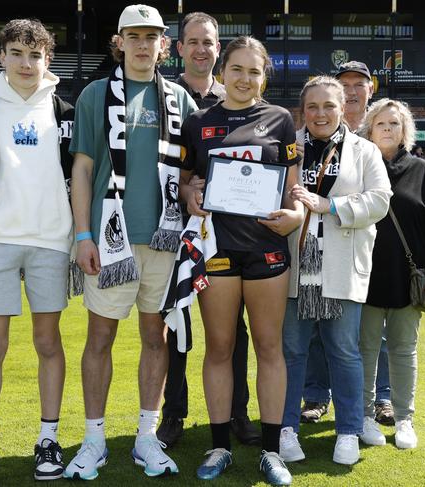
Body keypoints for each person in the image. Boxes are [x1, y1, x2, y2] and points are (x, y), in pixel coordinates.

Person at [64, 5, 197, 480]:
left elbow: (190, 173)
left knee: (154, 338)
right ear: (119, 42)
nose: (143, 45)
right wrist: (82, 233)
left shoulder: (181, 99)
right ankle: (95, 438)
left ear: (164, 44)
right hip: (109, 239)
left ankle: (146, 436)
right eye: (134, 36)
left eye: (152, 36)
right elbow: (81, 168)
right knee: (99, 338)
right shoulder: (95, 95)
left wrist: (194, 194)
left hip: (163, 239)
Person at [0, 19, 75, 487]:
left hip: (49, 243)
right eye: (18, 53)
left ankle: (48, 441)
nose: (27, 64)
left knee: (48, 343)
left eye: (36, 55)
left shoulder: (66, 112)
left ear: (48, 61)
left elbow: (77, 180)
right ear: (2, 57)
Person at [180, 36, 304, 485]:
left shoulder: (281, 120)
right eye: (237, 69)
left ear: (263, 76)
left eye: (254, 71)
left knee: (269, 348)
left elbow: (293, 190)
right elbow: (185, 183)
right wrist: (190, 193)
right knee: (219, 348)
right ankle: (218, 446)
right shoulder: (198, 122)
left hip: (267, 250)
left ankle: (272, 453)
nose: (245, 79)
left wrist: (297, 215)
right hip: (216, 250)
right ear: (223, 70)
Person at [156, 11, 260, 449]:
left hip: (231, 236)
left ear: (219, 51)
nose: (201, 49)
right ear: (179, 48)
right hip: (179, 228)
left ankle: (238, 412)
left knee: (233, 331)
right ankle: (174, 414)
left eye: (209, 42)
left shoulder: (237, 95)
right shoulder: (165, 97)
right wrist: (185, 186)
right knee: (176, 324)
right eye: (193, 41)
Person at [281, 75, 391, 466]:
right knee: (291, 351)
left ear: (343, 107)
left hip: (343, 268)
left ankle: (347, 431)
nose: (321, 113)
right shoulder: (288, 145)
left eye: (329, 105)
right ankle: (286, 429)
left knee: (345, 352)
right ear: (303, 110)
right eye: (313, 106)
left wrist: (329, 206)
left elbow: (380, 200)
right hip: (294, 268)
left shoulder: (363, 150)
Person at [301, 60, 394, 428]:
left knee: (367, 338)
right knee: (311, 340)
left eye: (360, 84)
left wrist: (333, 206)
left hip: (364, 250)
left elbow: (384, 196)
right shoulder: (298, 140)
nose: (353, 90)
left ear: (370, 90)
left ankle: (374, 404)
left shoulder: (378, 135)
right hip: (310, 256)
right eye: (346, 84)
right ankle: (315, 397)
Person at [358, 98, 425, 449]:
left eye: (394, 124)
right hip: (363, 279)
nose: (387, 129)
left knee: (403, 350)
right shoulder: (360, 166)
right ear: (369, 127)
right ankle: (365, 417)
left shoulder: (421, 171)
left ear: (404, 131)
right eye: (381, 123)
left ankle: (404, 419)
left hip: (408, 280)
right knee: (364, 350)